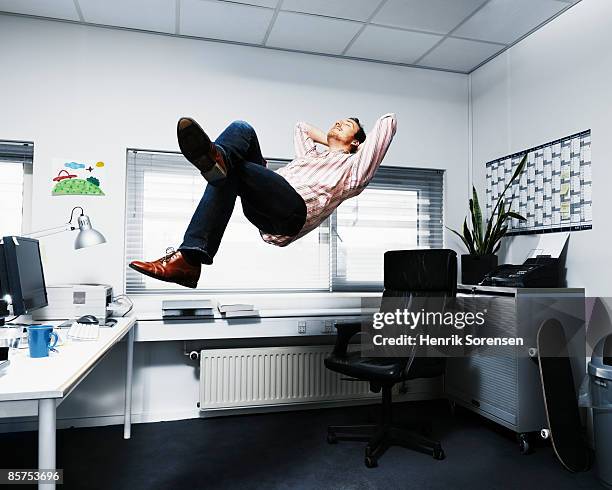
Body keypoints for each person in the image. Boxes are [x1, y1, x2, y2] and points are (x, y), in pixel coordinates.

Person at [129, 113, 397, 288]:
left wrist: (356, 149)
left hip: (293, 211)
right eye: (337, 121)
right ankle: (190, 258)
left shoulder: (354, 169)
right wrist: (332, 140)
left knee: (230, 169)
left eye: (347, 125)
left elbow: (388, 122)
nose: (338, 123)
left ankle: (189, 258)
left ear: (357, 143)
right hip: (265, 207)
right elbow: (301, 126)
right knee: (241, 129)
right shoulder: (310, 156)